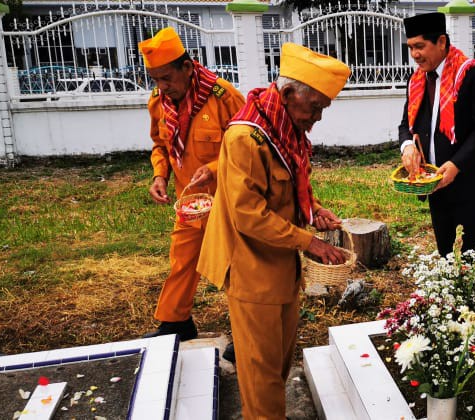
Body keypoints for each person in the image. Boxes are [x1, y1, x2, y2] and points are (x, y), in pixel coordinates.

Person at [197, 43, 349, 419]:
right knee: (260, 374)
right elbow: (248, 215)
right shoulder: (246, 138)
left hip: (281, 268)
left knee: (278, 365)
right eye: (313, 108)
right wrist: (308, 241)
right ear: (286, 94)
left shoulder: (283, 129)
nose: (316, 119)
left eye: (322, 110)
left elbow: (288, 189)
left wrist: (312, 212)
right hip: (252, 272)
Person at [139, 27, 245, 347]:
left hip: (227, 200)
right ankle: (176, 322)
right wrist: (160, 176)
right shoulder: (159, 103)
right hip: (191, 202)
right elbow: (160, 145)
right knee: (182, 260)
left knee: (234, 267)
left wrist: (213, 169)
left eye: (166, 78)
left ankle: (247, 331)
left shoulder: (223, 97)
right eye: (155, 79)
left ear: (187, 67)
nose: (162, 87)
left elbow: (246, 148)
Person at [398, 12, 475, 256]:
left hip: (469, 183)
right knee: (446, 253)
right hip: (435, 183)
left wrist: (455, 164)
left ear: (441, 42)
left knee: (473, 256)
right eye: (410, 47)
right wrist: (407, 146)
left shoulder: (474, 75)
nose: (414, 54)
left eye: (420, 46)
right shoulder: (417, 81)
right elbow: (405, 125)